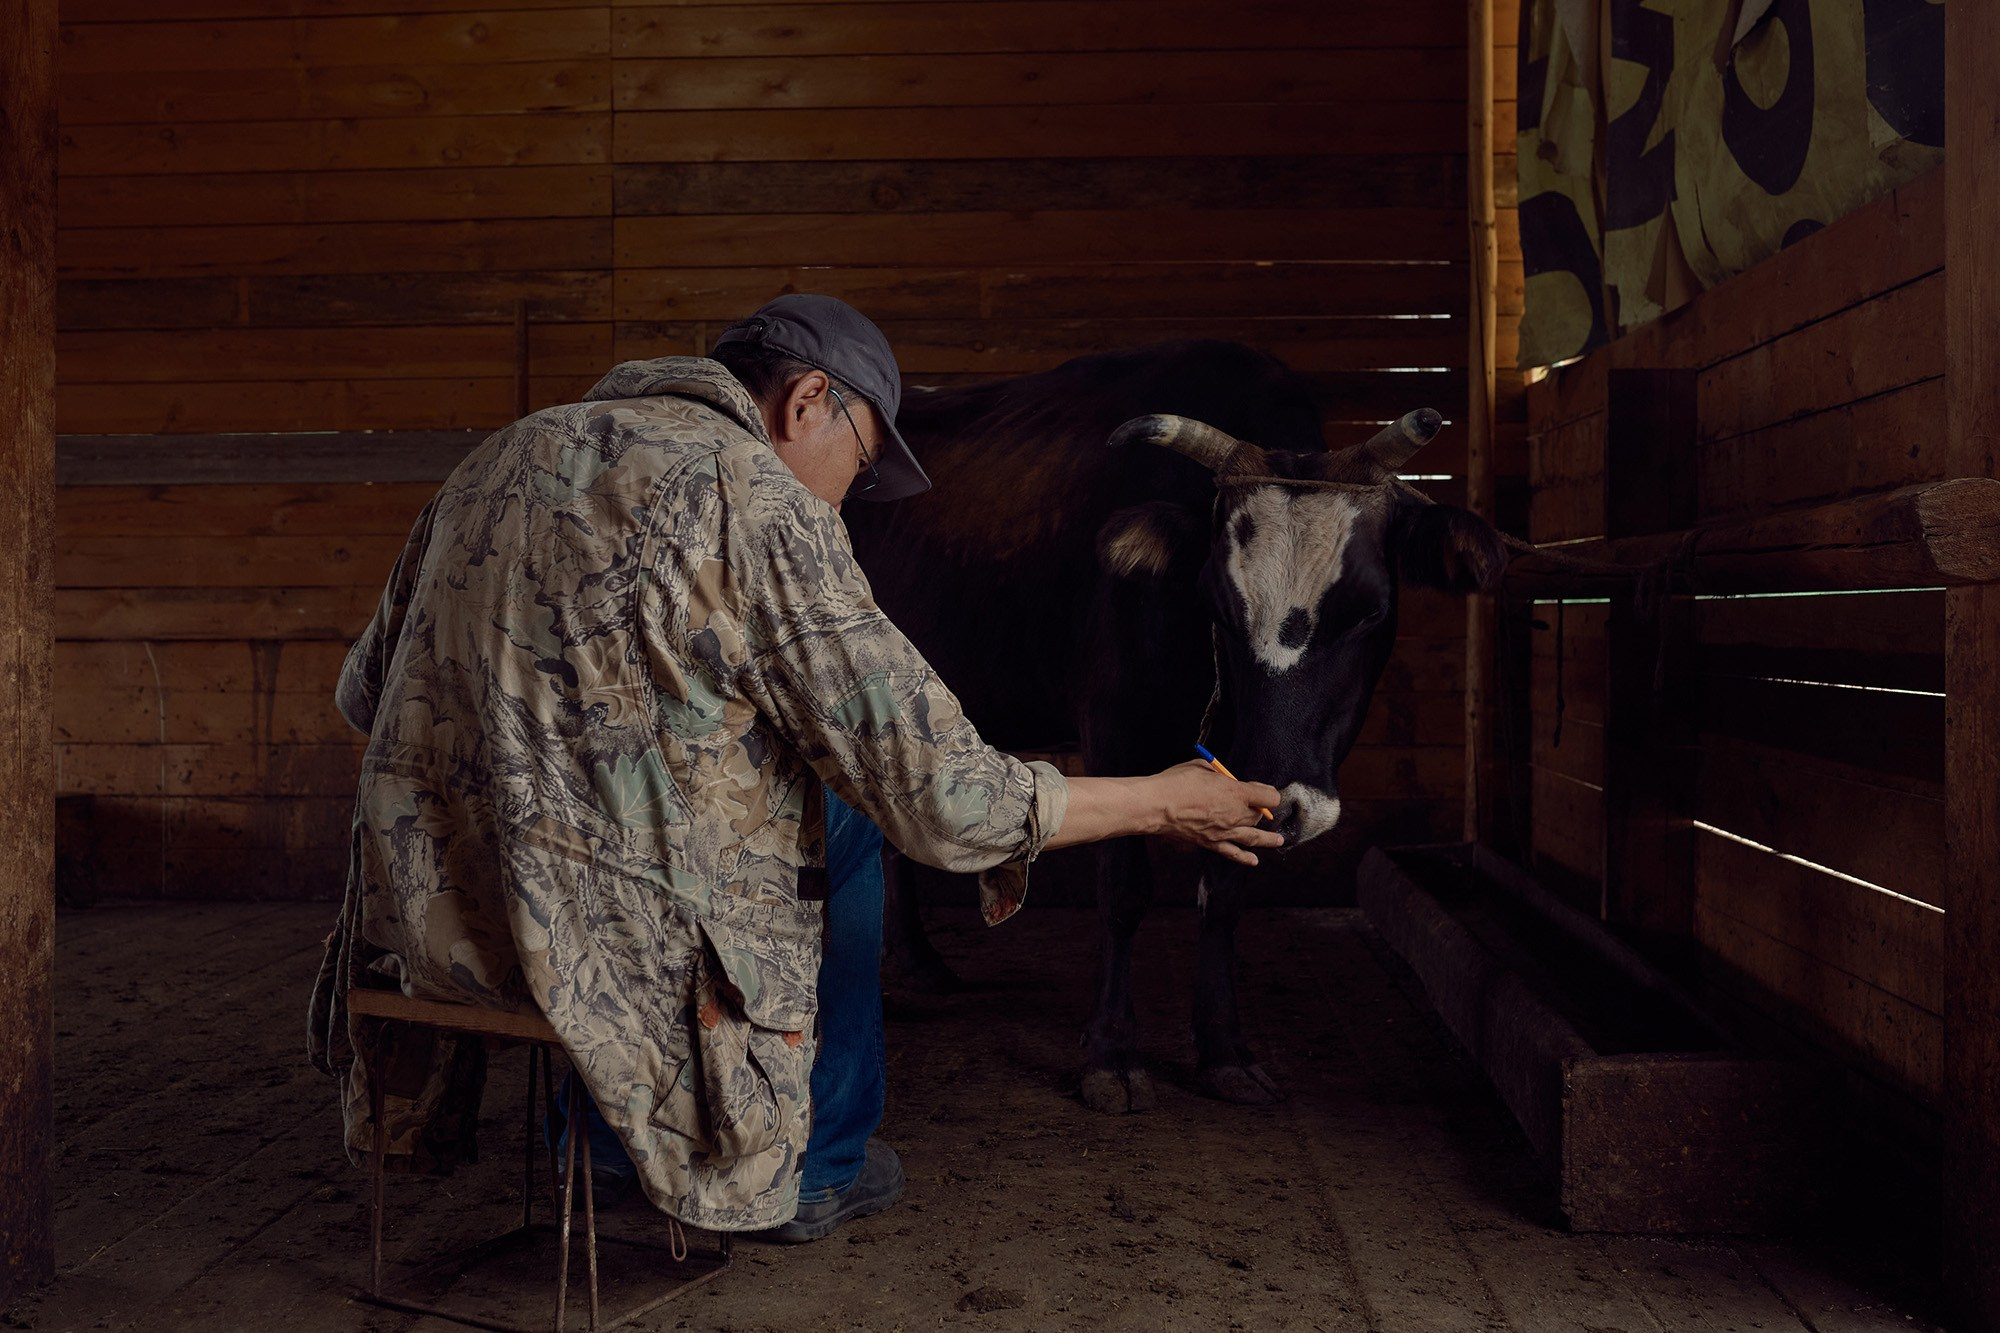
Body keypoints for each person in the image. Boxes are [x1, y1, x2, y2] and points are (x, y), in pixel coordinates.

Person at [306, 294, 1281, 1242]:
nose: (848, 495)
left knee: (611, 817)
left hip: (439, 928)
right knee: (846, 809)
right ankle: (817, 1164)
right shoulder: (756, 498)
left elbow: (366, 692)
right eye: (861, 461)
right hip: (612, 950)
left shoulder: (497, 458)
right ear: (807, 400)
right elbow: (943, 797)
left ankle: (602, 1148)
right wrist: (1162, 801)